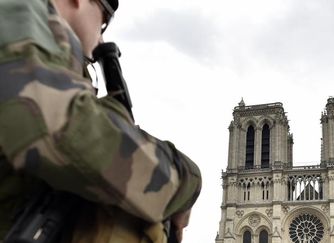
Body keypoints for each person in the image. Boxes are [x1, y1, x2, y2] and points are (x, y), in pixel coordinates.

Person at [0, 0, 201, 242]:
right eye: (104, 21)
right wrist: (182, 179)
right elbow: (53, 126)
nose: (100, 40)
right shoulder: (17, 8)